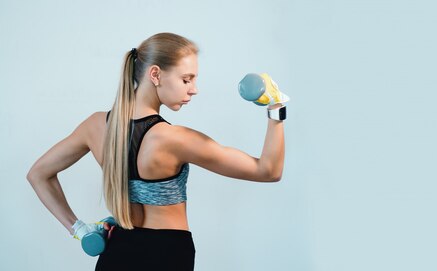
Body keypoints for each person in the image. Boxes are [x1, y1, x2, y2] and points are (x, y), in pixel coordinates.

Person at [26, 32, 287, 270]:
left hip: (116, 253)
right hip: (167, 255)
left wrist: (80, 230)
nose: (193, 89)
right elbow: (268, 170)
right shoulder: (176, 139)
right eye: (186, 79)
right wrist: (276, 106)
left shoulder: (95, 125)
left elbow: (38, 174)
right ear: (155, 74)